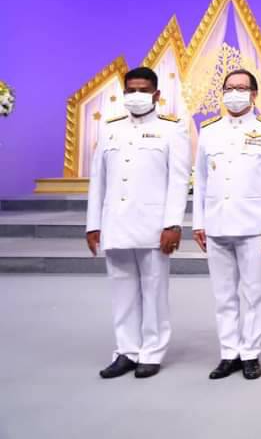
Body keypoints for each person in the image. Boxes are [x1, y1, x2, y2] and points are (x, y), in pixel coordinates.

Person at [86, 66, 191, 379]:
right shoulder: (110, 129)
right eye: (130, 90)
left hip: (153, 225)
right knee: (122, 291)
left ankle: (152, 352)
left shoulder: (172, 129)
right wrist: (93, 224)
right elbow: (98, 180)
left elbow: (178, 180)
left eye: (142, 90)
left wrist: (173, 224)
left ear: (156, 94)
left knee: (154, 290)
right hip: (115, 223)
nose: (136, 96)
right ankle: (127, 351)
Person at [193, 69, 261, 381]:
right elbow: (200, 180)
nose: (235, 93)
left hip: (253, 225)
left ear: (254, 94)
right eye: (229, 88)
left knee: (254, 293)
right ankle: (228, 353)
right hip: (216, 223)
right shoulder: (209, 131)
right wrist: (198, 222)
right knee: (223, 295)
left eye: (242, 88)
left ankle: (250, 354)